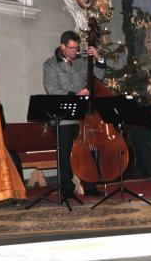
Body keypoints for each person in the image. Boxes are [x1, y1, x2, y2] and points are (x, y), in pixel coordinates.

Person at [43, 30, 105, 198]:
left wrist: (98, 58)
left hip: (83, 116)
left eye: (77, 49)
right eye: (71, 49)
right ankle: (66, 188)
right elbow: (52, 89)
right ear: (63, 46)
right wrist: (75, 95)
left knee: (87, 150)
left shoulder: (82, 62)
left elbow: (99, 76)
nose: (75, 52)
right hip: (64, 117)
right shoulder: (50, 65)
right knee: (65, 153)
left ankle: (90, 184)